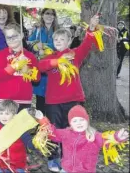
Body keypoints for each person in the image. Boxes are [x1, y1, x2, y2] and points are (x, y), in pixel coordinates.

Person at [37, 15, 99, 172]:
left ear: (69, 41)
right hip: (53, 102)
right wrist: (58, 61)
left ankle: (69, 157)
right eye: (55, 39)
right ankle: (53, 158)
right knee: (52, 130)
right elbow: (40, 66)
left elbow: (87, 44)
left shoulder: (75, 55)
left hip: (74, 101)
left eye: (61, 39)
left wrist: (91, 28)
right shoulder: (50, 58)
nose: (58, 42)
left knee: (72, 130)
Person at [35, 105, 129, 172]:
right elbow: (53, 133)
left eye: (81, 120)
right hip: (66, 169)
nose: (79, 123)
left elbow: (106, 139)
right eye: (75, 121)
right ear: (70, 123)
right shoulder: (65, 133)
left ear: (87, 121)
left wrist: (117, 137)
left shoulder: (94, 136)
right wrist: (42, 120)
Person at [0, 23, 40, 112]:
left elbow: (37, 78)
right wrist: (15, 66)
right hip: (5, 101)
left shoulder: (30, 56)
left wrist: (27, 70)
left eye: (14, 36)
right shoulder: (1, 55)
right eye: (8, 37)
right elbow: (0, 75)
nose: (11, 39)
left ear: (21, 35)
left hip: (24, 100)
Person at [28, 8, 58, 116]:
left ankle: (51, 127)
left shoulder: (58, 30)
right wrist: (36, 46)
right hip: (41, 69)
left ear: (54, 17)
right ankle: (40, 127)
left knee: (52, 100)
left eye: (52, 14)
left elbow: (61, 45)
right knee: (40, 100)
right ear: (42, 15)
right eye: (47, 13)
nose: (49, 16)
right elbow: (29, 44)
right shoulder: (38, 30)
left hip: (54, 69)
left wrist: (45, 46)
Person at [0, 100, 35, 173]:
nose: (3, 116)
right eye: (1, 113)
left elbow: (30, 144)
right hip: (0, 165)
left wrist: (36, 142)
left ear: (14, 115)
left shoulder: (20, 129)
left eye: (7, 114)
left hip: (17, 166)